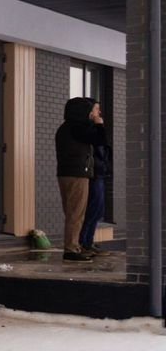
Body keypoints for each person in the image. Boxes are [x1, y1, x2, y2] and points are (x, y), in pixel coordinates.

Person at [55, 97, 106, 262]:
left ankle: (75, 247)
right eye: (93, 110)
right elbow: (100, 139)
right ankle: (71, 250)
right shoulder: (75, 128)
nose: (95, 113)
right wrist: (99, 124)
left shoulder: (68, 127)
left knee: (74, 212)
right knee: (76, 213)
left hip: (69, 173)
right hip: (76, 174)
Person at [79, 131, 111, 255]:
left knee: (98, 212)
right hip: (94, 176)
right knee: (92, 211)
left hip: (101, 176)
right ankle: (83, 243)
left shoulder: (100, 138)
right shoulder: (90, 134)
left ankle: (88, 242)